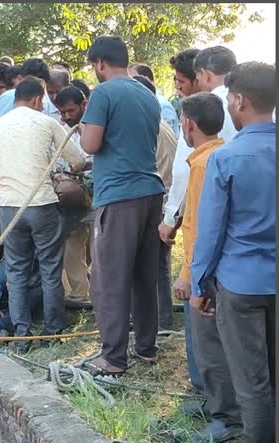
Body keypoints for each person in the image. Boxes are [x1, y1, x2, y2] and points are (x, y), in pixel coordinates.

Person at [190, 62, 276, 443]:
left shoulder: (227, 158)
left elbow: (211, 232)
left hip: (240, 284)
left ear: (239, 100)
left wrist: (199, 283)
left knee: (252, 382)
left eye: (229, 98)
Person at [78, 36, 165, 376]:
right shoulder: (146, 92)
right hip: (151, 192)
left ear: (100, 63)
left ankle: (113, 357)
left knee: (110, 277)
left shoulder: (102, 93)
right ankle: (146, 347)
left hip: (119, 195)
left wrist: (85, 126)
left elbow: (91, 144)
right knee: (144, 275)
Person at [0, 77, 86, 346]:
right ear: (37, 100)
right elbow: (78, 160)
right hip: (41, 204)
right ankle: (53, 331)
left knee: (16, 272)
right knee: (50, 268)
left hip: (9, 206)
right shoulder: (47, 122)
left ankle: (21, 334)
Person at [174, 92, 240, 443]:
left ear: (189, 124)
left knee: (209, 346)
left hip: (205, 270)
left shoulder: (203, 164)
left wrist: (189, 277)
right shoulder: (221, 153)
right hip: (226, 267)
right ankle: (216, 402)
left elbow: (199, 227)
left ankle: (225, 415)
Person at [157, 48, 204, 393]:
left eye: (180, 81)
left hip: (199, 230)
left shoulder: (197, 117)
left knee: (195, 297)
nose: (177, 88)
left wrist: (169, 219)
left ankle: (204, 388)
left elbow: (184, 176)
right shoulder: (239, 111)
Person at [133, 74, 178, 330]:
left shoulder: (150, 128)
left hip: (157, 203)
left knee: (153, 266)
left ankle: (159, 321)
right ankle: (161, 319)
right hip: (164, 201)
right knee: (158, 265)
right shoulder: (162, 124)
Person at [53, 85, 92, 302]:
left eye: (71, 111)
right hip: (71, 195)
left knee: (98, 244)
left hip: (98, 192)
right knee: (73, 241)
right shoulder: (61, 131)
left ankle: (101, 291)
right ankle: (78, 293)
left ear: (83, 105)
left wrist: (80, 166)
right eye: (63, 112)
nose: (67, 116)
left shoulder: (95, 126)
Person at [192, 46, 238, 142]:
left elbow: (186, 155)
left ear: (207, 76)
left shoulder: (200, 107)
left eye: (198, 79)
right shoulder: (256, 102)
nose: (198, 84)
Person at [129, 62, 180, 136]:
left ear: (146, 79)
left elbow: (166, 139)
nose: (129, 83)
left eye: (133, 79)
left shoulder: (162, 105)